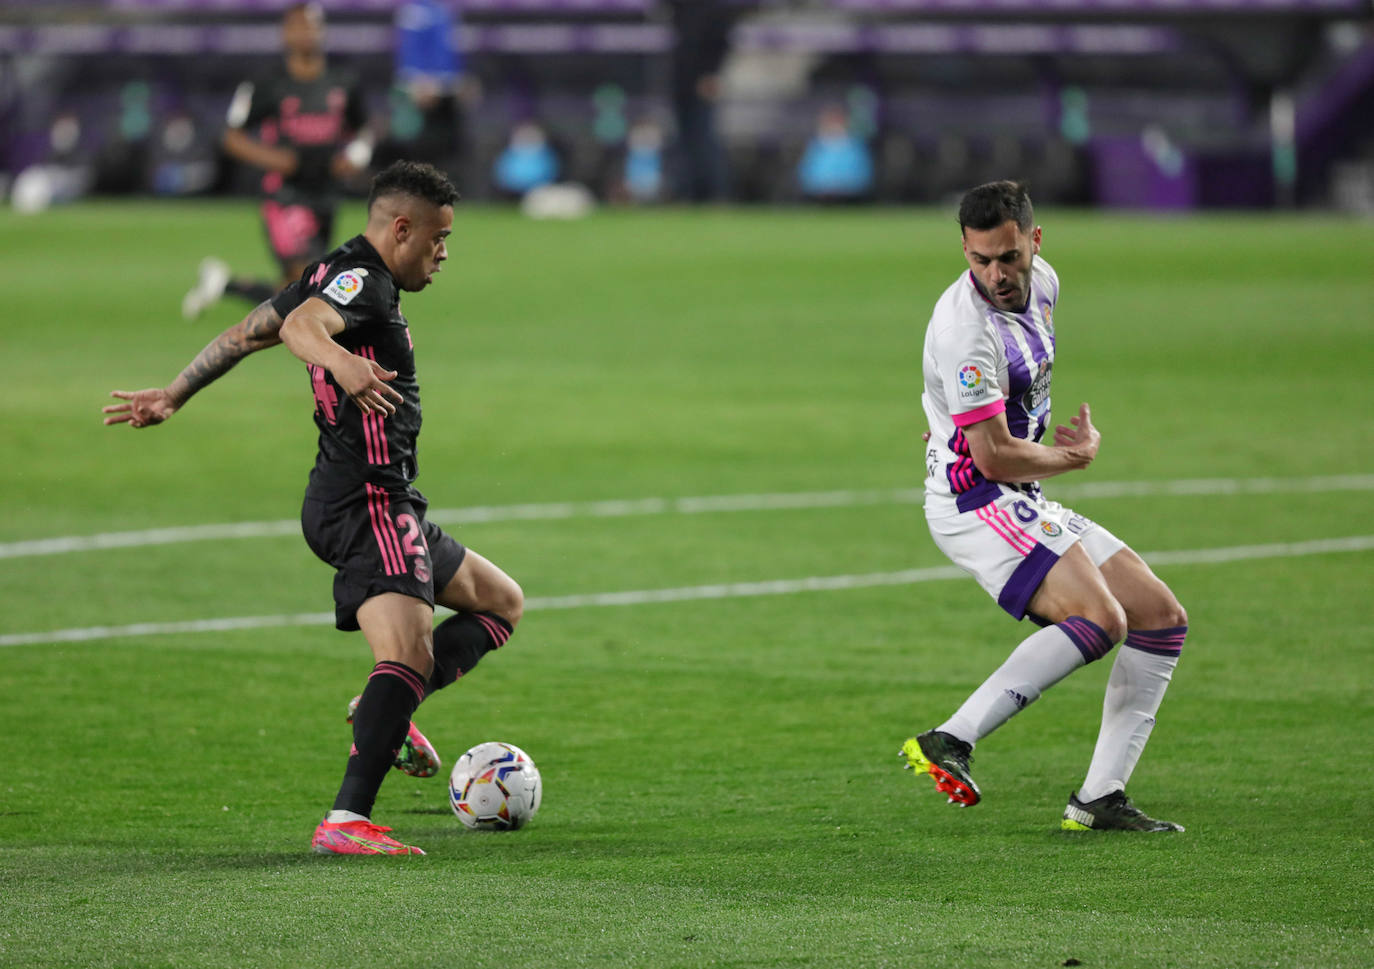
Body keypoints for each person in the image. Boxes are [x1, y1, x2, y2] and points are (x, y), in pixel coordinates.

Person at [106, 161, 524, 856]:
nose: (444, 253)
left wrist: (175, 392)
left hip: (383, 501)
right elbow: (300, 325)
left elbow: (247, 331)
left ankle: (387, 710)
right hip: (366, 500)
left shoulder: (336, 270)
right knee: (410, 651)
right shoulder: (361, 282)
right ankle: (346, 819)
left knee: (500, 603)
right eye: (438, 238)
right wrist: (343, 362)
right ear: (401, 228)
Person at [902, 180, 1188, 832]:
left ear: (1035, 240)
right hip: (974, 497)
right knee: (1101, 616)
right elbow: (994, 454)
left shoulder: (1048, 283)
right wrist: (1072, 455)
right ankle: (952, 737)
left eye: (1008, 257)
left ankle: (1098, 798)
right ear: (965, 251)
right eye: (980, 260)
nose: (996, 275)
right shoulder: (963, 332)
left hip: (1019, 492)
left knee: (1160, 617)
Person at [182, 2, 374, 320]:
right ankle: (334, 356)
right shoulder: (268, 84)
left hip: (326, 193)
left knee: (296, 290)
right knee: (312, 283)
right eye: (298, 26)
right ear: (285, 34)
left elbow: (364, 129)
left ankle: (225, 284)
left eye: (312, 26)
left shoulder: (343, 82)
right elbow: (232, 136)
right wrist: (278, 160)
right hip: (285, 195)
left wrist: (357, 154)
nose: (306, 34)